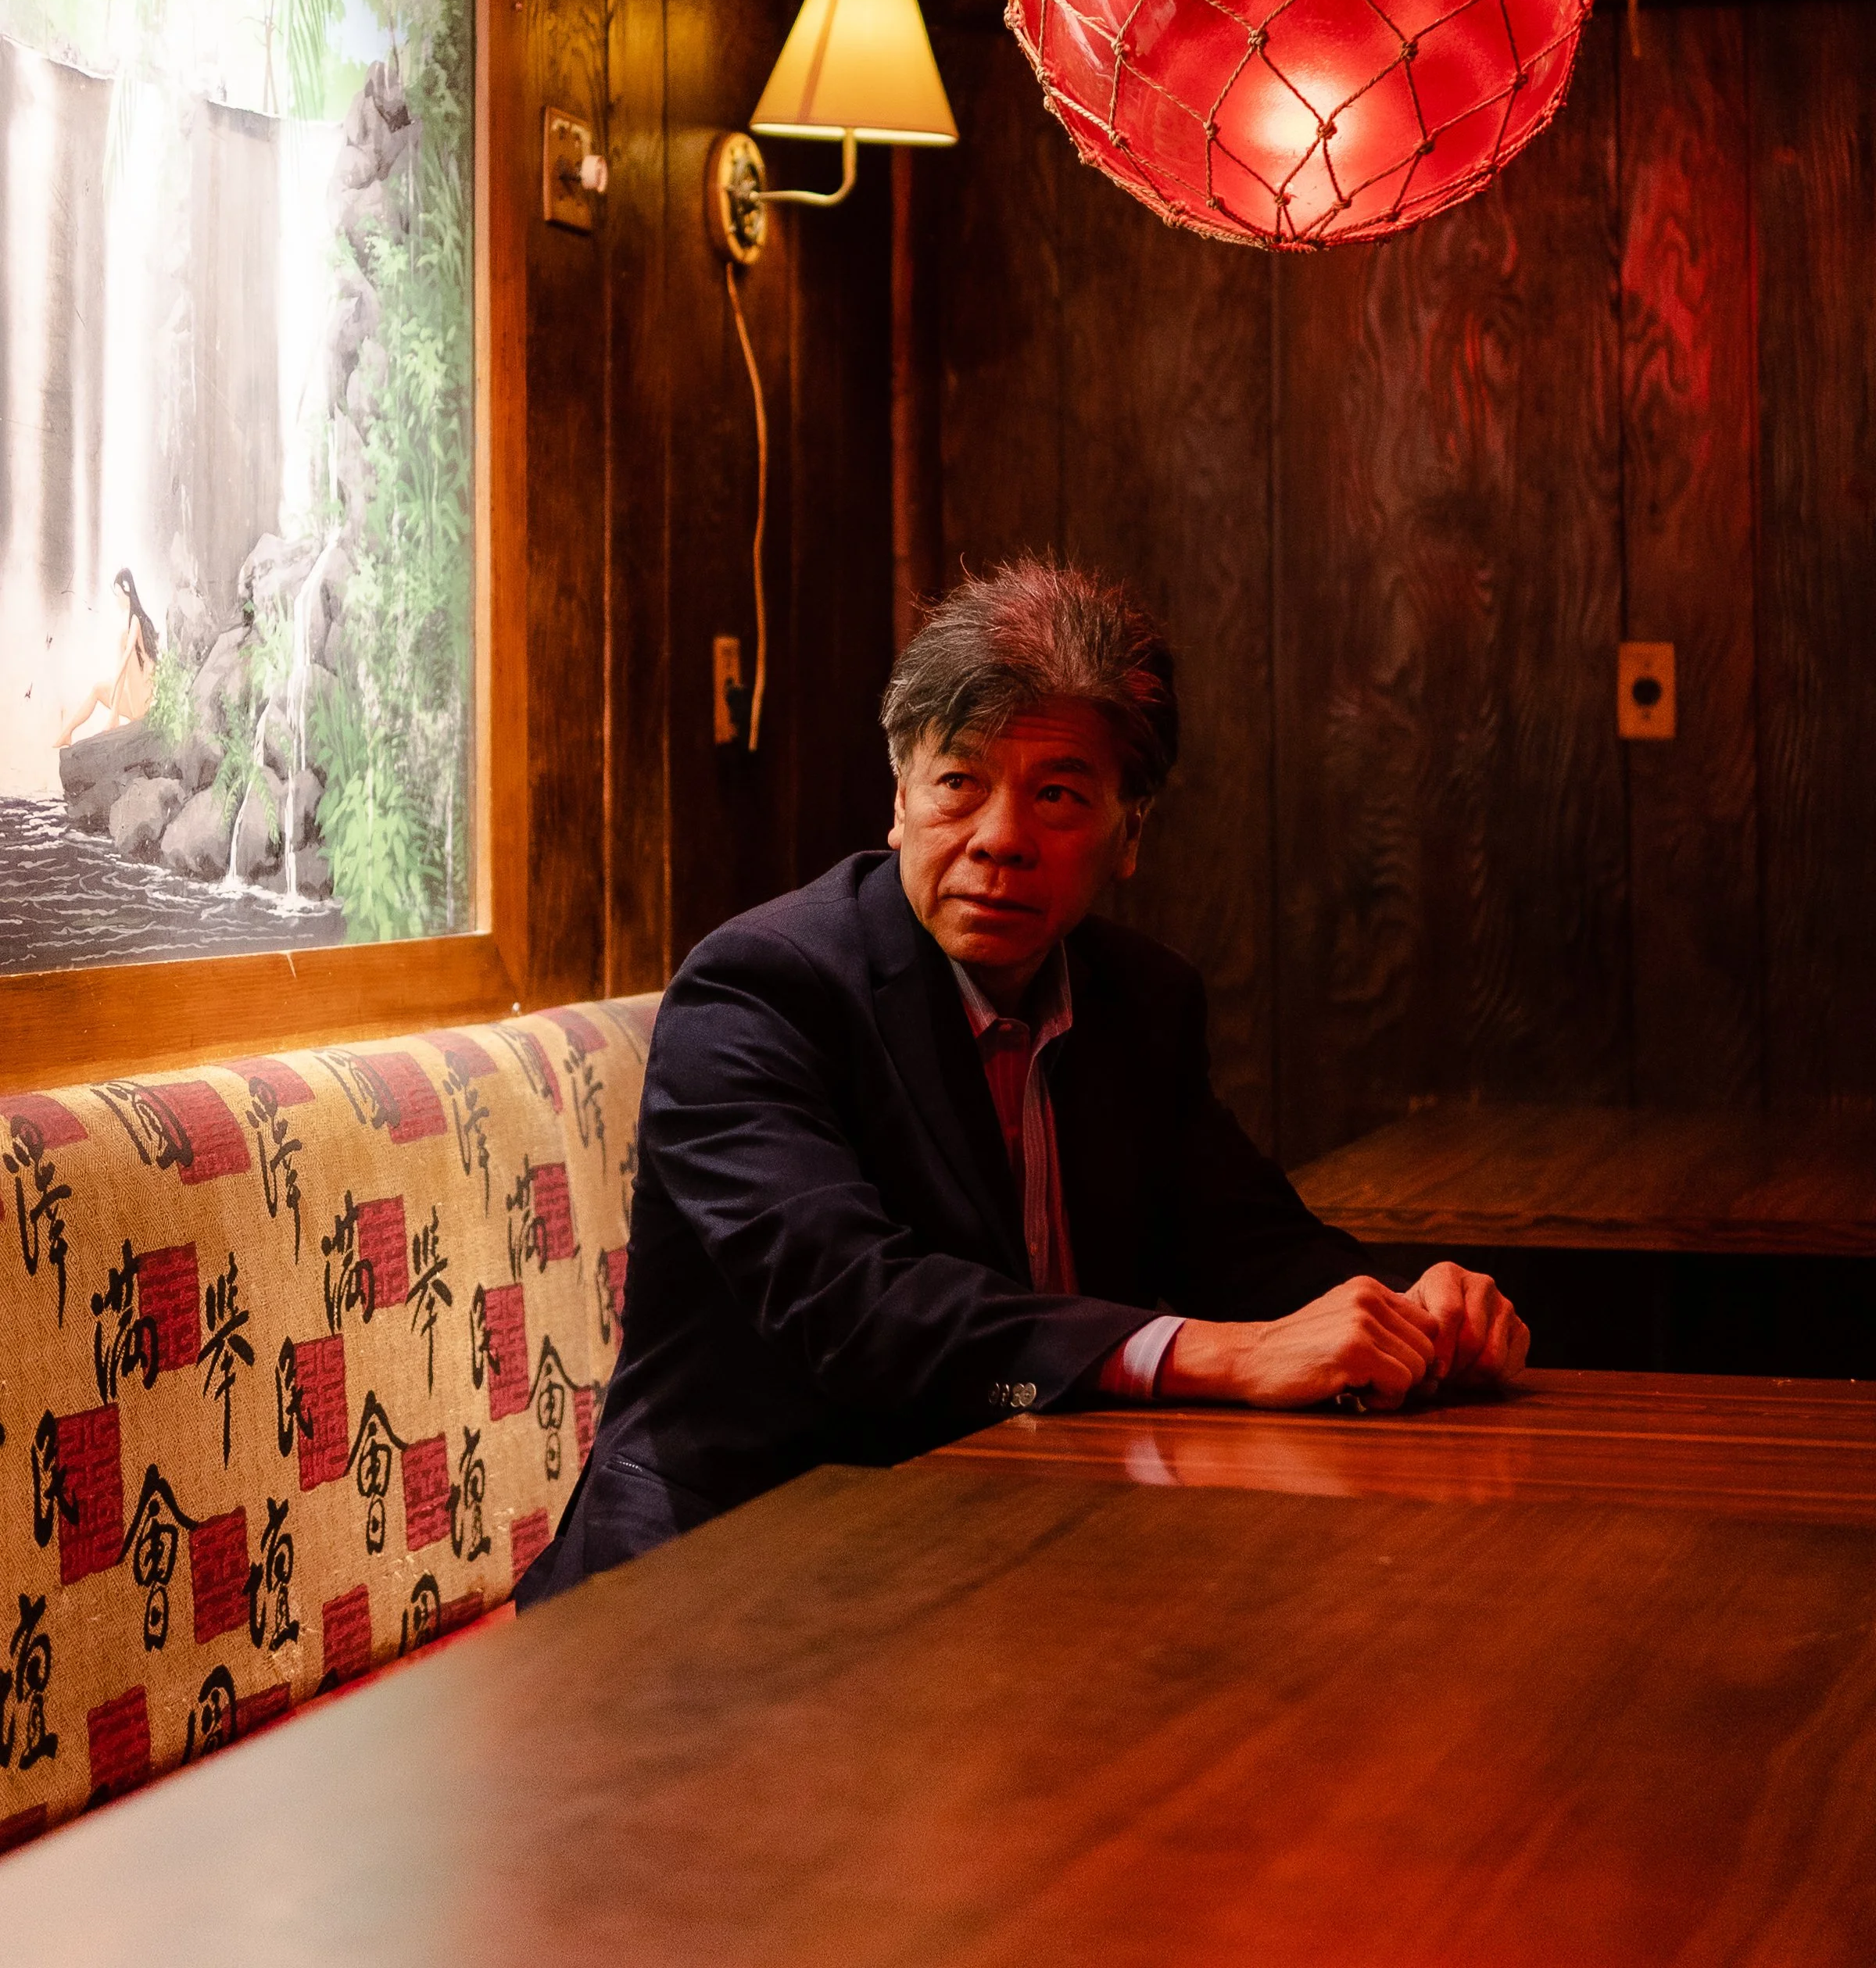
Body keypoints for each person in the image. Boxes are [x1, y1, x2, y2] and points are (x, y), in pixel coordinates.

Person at [519, 560, 1528, 1598]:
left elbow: (1244, 1243)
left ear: (1129, 835)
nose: (1000, 839)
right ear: (900, 802)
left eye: (1056, 795)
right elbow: (855, 1306)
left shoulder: (1139, 1001)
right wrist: (1215, 1355)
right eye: (960, 783)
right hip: (730, 1575)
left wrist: (1412, 1318)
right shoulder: (764, 988)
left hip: (1006, 1551)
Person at [56, 567, 159, 746]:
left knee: (123, 640)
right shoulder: (134, 619)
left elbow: (127, 657)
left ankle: (113, 718)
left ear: (127, 590)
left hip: (141, 703)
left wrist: (117, 678)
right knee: (97, 689)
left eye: (118, 594)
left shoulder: (136, 620)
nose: (117, 600)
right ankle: (68, 732)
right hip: (136, 700)